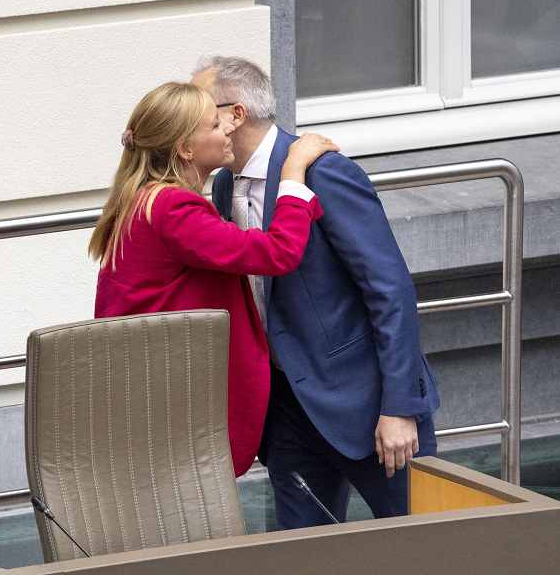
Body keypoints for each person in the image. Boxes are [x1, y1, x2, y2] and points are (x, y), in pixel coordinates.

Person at [192, 56, 440, 528]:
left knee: (427, 544)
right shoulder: (223, 183)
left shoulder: (325, 172)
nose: (189, 120)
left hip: (368, 407)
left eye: (199, 110)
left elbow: (389, 289)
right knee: (302, 551)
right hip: (287, 409)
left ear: (235, 114)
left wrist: (399, 408)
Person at [90, 81, 337, 476]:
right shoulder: (172, 207)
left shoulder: (145, 198)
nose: (227, 128)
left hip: (156, 398)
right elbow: (278, 252)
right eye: (213, 124)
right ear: (186, 149)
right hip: (179, 410)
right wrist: (292, 175)